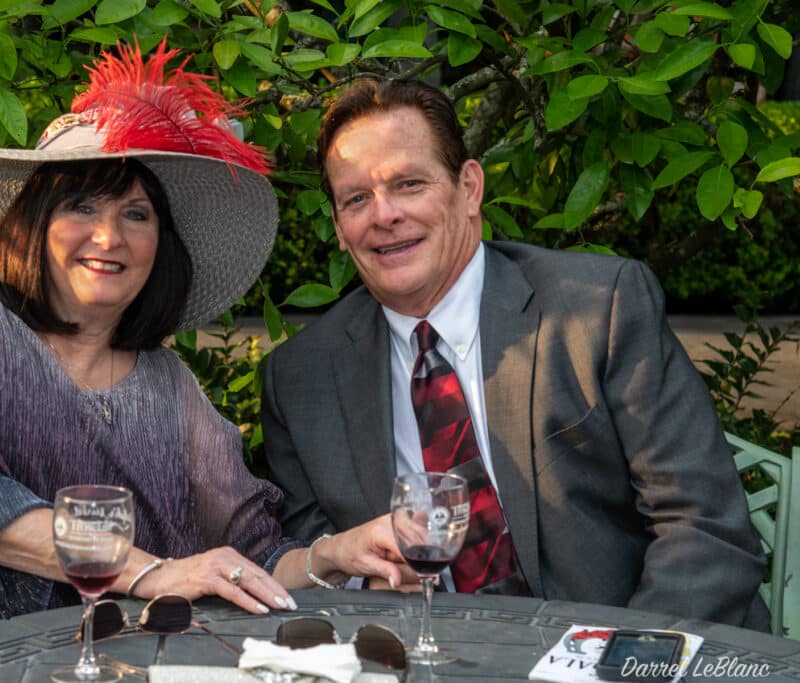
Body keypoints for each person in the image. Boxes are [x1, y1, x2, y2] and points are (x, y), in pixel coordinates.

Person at [0, 42, 403, 678]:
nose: (109, 236)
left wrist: (334, 554)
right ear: (34, 222)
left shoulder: (168, 387)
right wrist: (151, 573)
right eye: (81, 206)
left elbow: (253, 552)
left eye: (136, 213)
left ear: (161, 245)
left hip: (43, 666)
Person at [261, 76, 771, 629]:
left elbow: (703, 526)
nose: (384, 215)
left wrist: (613, 661)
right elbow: (316, 565)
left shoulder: (597, 311)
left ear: (469, 188)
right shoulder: (301, 379)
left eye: (409, 184)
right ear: (339, 226)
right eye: (357, 198)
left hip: (629, 643)